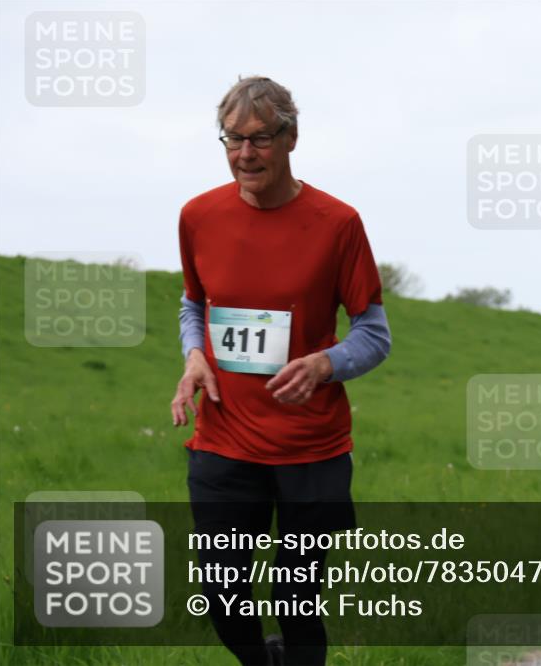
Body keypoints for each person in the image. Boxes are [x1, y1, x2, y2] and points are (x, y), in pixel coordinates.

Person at [171, 77, 391, 666]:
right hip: (223, 441)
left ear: (291, 137)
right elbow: (195, 303)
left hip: (311, 450)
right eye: (233, 139)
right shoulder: (198, 216)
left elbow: (375, 335)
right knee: (223, 598)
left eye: (261, 139)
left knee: (297, 603)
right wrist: (195, 354)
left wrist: (325, 363)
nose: (245, 154)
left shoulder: (338, 223)